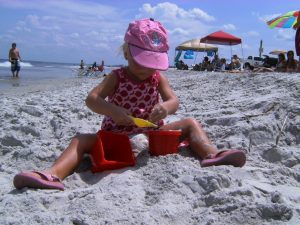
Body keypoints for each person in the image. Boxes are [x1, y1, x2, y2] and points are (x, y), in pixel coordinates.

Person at [13, 18, 246, 191]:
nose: (146, 69)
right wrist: (113, 111)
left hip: (152, 133)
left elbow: (174, 100)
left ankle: (211, 154)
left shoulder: (158, 77)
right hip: (116, 136)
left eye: (151, 63)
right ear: (126, 53)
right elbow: (91, 99)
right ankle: (53, 174)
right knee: (81, 139)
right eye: (140, 62)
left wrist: (165, 108)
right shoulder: (117, 77)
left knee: (191, 123)